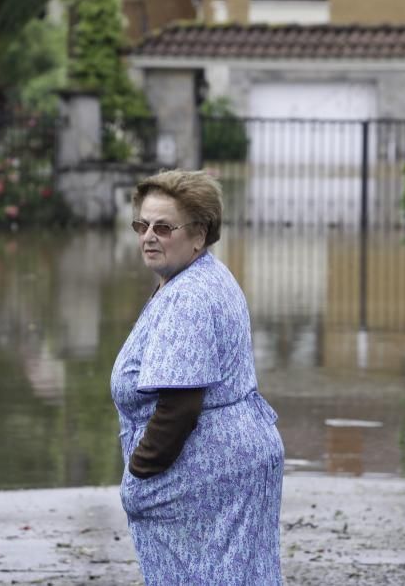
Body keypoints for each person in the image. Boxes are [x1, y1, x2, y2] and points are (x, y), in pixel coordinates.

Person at [110, 169, 285, 584]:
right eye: (142, 224)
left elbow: (180, 406)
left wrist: (138, 478)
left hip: (206, 475)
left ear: (199, 235)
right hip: (231, 465)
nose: (149, 236)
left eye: (164, 227)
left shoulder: (189, 296)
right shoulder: (198, 276)